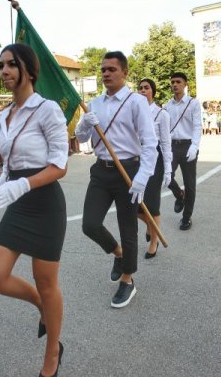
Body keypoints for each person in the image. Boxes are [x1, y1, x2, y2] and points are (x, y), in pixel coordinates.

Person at [0, 43, 68, 377]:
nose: (4, 71)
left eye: (11, 65)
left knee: (47, 283)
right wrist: (5, 179)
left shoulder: (47, 110)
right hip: (18, 200)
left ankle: (52, 355)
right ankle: (40, 307)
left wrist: (22, 184)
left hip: (44, 202)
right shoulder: (4, 114)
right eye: (1, 65)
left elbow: (59, 165)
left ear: (29, 70)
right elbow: (12, 157)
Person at [75, 51, 157, 308]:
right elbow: (80, 139)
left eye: (112, 69)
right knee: (89, 224)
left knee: (127, 229)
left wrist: (142, 177)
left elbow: (150, 142)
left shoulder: (136, 102)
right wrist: (85, 124)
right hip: (101, 170)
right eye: (103, 70)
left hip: (128, 171)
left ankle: (127, 279)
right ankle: (118, 253)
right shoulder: (95, 103)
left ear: (125, 73)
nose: (106, 73)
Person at [136, 78, 172, 259]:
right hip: (137, 157)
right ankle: (152, 228)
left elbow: (165, 143)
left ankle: (153, 242)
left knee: (151, 204)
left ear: (153, 91)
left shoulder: (161, 114)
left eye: (146, 88)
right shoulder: (133, 111)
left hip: (155, 159)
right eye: (140, 88)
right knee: (133, 205)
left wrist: (168, 170)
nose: (143, 91)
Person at [166, 72, 203, 231]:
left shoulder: (193, 103)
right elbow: (165, 128)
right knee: (166, 176)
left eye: (178, 82)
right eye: (173, 82)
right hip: (172, 146)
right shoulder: (168, 105)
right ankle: (178, 194)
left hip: (188, 145)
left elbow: (197, 126)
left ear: (185, 84)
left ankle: (186, 217)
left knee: (190, 184)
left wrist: (194, 145)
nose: (175, 84)